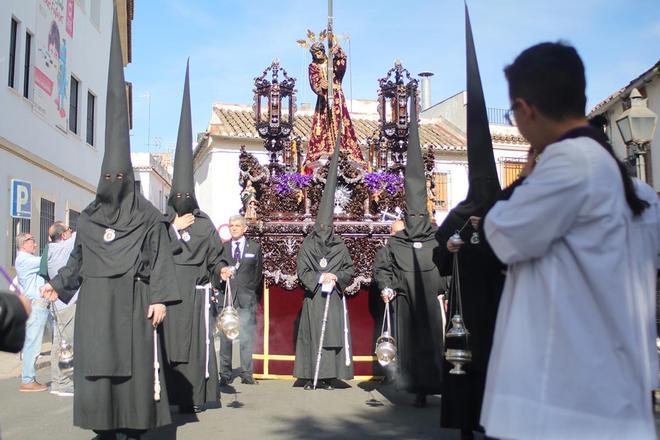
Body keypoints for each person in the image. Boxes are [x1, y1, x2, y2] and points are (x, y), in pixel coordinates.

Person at [480, 42, 659, 440]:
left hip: (565, 400)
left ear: (526, 109)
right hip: (609, 390)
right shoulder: (627, 182)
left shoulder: (570, 163)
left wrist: (525, 180)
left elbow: (502, 234)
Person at [40, 9, 180, 439]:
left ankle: (135, 427)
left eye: (122, 179)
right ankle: (103, 428)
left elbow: (160, 262)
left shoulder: (148, 219)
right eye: (109, 178)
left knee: (134, 372)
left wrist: (159, 299)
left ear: (131, 181)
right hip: (97, 310)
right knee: (98, 369)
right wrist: (57, 284)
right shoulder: (89, 219)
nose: (115, 185)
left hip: (136, 306)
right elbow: (78, 263)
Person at [436, 7, 506, 438]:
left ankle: (494, 419)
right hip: (465, 304)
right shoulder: (458, 214)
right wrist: (453, 247)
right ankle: (463, 422)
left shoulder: (508, 209)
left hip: (500, 301)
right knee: (464, 361)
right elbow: (438, 252)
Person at [162, 62, 225, 413]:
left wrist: (223, 270)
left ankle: (198, 397)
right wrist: (174, 229)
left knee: (198, 347)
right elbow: (152, 255)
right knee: (167, 347)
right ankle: (169, 395)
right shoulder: (162, 224)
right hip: (169, 298)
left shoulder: (205, 224)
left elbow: (217, 257)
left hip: (198, 298)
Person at [373, 102, 444, 408]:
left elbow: (447, 270)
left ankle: (434, 384)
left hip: (430, 305)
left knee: (432, 344)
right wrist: (388, 286)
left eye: (421, 214)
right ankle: (413, 386)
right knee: (411, 347)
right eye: (412, 214)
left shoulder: (437, 240)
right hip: (404, 303)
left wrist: (446, 291)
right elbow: (385, 269)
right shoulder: (396, 243)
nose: (417, 220)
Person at [294, 129, 355, 390]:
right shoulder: (308, 245)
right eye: (321, 228)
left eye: (327, 228)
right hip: (315, 297)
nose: (324, 232)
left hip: (334, 297)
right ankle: (310, 376)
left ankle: (330, 376)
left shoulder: (340, 245)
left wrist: (337, 277)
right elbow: (302, 270)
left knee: (331, 335)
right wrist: (320, 277)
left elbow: (350, 270)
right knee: (312, 335)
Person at [301, 31, 366, 170]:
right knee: (323, 123)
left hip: (336, 96)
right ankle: (325, 149)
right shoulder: (313, 66)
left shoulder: (332, 61)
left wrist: (334, 47)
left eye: (318, 53)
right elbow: (313, 81)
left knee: (340, 121)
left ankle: (342, 147)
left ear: (323, 51)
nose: (317, 56)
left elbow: (341, 65)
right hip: (323, 100)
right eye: (314, 54)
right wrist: (319, 86)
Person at [217, 215, 263, 386]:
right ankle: (225, 373)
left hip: (246, 298)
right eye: (231, 225)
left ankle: (246, 373)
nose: (234, 228)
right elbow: (218, 269)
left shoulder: (255, 248)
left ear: (245, 228)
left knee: (246, 337)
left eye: (237, 225)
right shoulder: (223, 248)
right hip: (228, 299)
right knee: (225, 338)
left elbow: (258, 274)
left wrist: (249, 291)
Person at [46, 221, 78, 397]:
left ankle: (58, 381)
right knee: (66, 344)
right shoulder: (64, 247)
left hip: (58, 305)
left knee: (58, 343)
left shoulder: (52, 249)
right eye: (68, 230)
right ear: (64, 235)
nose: (71, 231)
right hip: (65, 305)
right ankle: (63, 383)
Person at [14, 232, 49, 392]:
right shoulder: (25, 259)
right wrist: (52, 245)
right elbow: (47, 260)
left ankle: (30, 378)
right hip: (36, 305)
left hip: (38, 305)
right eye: (32, 241)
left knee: (33, 342)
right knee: (32, 344)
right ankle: (28, 380)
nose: (35, 245)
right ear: (23, 244)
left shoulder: (25, 259)